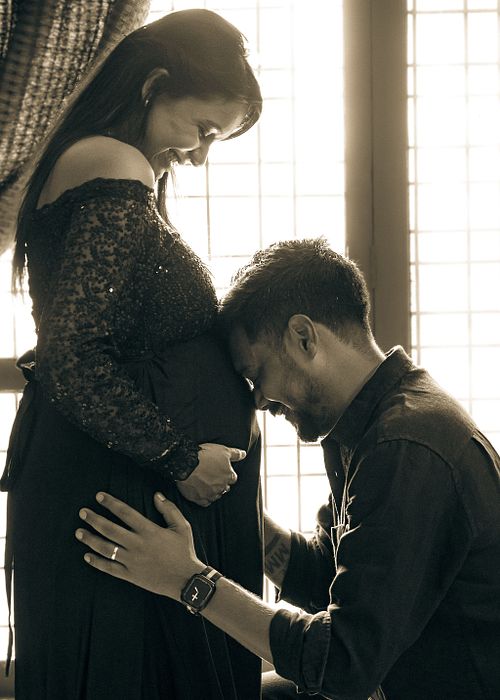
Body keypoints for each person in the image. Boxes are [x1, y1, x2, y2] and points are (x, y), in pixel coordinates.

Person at [76, 238, 500, 700]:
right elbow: (323, 576)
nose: (258, 401)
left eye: (256, 374)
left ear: (303, 337)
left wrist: (188, 580)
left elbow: (341, 664)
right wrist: (228, 513)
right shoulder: (364, 426)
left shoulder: (405, 446)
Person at [2, 9, 265, 700]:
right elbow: (72, 358)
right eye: (202, 129)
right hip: (110, 481)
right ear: (153, 85)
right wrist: (181, 457)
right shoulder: (113, 164)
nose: (200, 155)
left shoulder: (103, 165)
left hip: (113, 475)